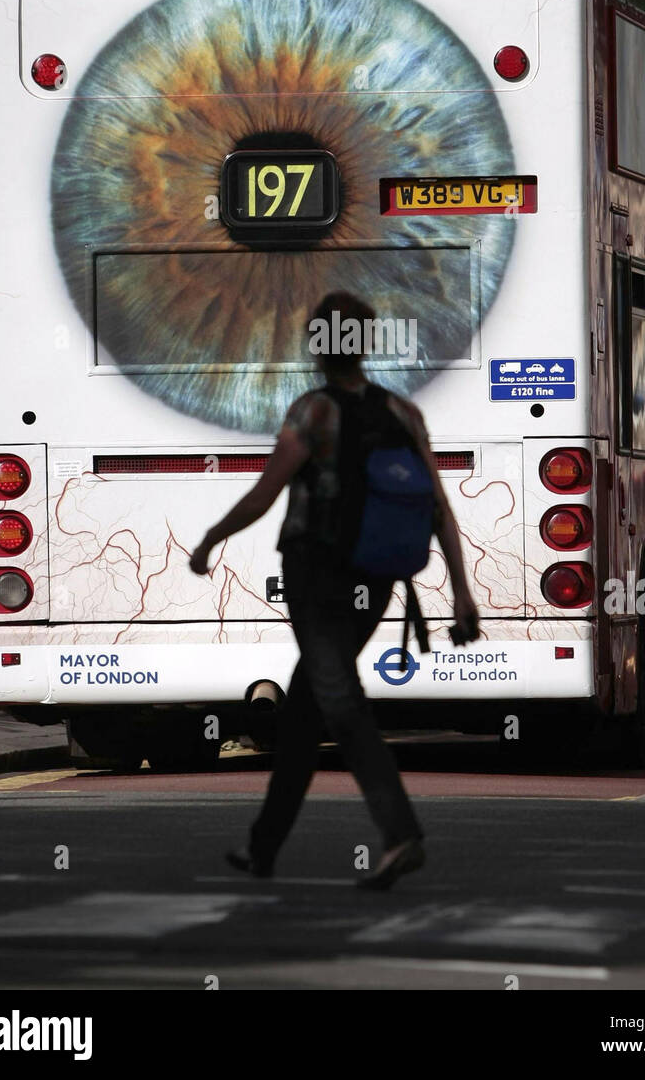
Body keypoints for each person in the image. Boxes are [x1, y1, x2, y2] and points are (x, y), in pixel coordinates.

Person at [189, 291, 479, 889]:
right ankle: (263, 849)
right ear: (366, 345)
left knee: (339, 702)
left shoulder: (313, 413)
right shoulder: (404, 414)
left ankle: (401, 835)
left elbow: (267, 492)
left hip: (317, 577)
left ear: (321, 346)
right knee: (303, 714)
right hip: (374, 581)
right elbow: (439, 508)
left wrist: (210, 539)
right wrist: (461, 593)